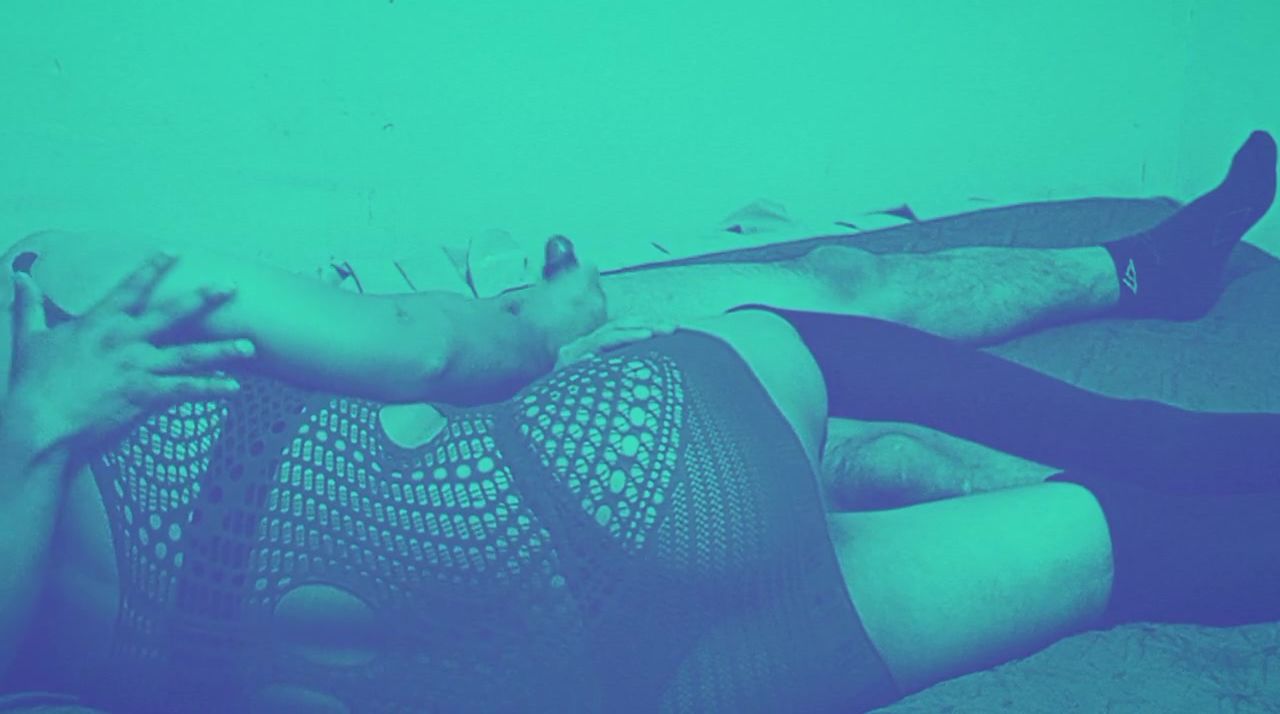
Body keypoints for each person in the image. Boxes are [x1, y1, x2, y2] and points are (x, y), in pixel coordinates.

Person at [0, 131, 1274, 712]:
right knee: (820, 331)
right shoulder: (74, 286)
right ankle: (1143, 345)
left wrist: (33, 445)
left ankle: (1142, 279)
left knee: (1120, 550)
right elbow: (442, 349)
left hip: (607, 684)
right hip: (621, 463)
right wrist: (553, 321)